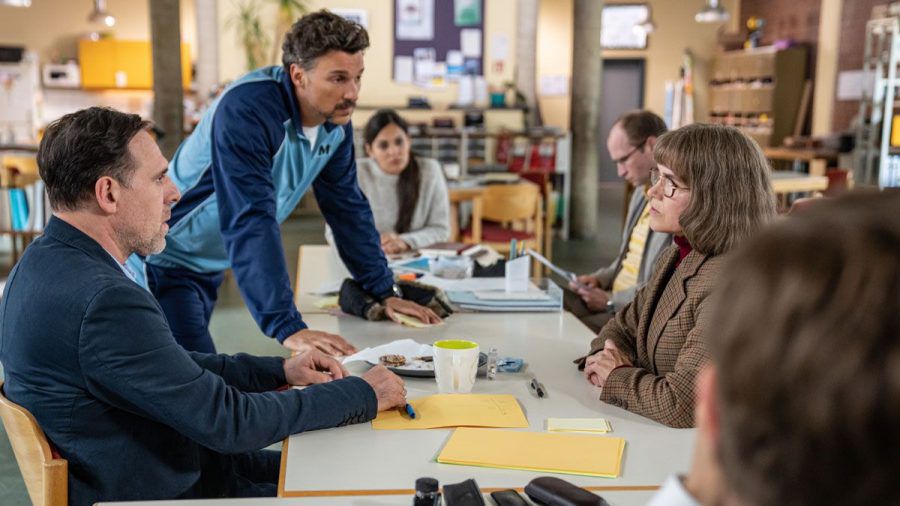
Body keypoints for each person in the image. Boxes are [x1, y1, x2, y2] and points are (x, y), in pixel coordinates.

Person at [0, 107, 409, 505]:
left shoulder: (41, 264)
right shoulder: (104, 299)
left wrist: (280, 370)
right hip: (165, 491)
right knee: (372, 491)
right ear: (108, 193)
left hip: (167, 464)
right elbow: (230, 422)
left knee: (356, 471)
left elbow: (170, 368)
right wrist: (362, 394)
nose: (175, 193)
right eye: (160, 178)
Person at [139, 10, 440, 355]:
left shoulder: (334, 126)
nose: (353, 93)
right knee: (189, 380)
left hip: (211, 259)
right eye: (338, 78)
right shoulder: (249, 110)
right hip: (166, 256)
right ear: (298, 75)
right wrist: (286, 324)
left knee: (197, 378)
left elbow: (347, 209)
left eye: (358, 77)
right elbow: (251, 217)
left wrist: (384, 290)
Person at [648, 192, 900, 505]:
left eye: (670, 181)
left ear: (711, 406)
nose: (653, 190)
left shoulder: (713, 275)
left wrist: (699, 491)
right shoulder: (675, 259)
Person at [577, 123, 776, 428]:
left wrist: (616, 375)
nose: (652, 191)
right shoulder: (680, 253)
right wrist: (608, 361)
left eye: (669, 182)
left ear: (714, 196)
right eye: (657, 175)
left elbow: (680, 404)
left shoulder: (731, 284)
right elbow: (620, 327)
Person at [565, 111, 672, 333]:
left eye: (624, 160)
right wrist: (600, 279)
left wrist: (611, 301)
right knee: (553, 298)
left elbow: (662, 287)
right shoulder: (638, 193)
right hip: (611, 298)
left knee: (559, 325)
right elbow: (628, 257)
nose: (620, 172)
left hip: (629, 314)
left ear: (651, 144)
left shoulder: (673, 207)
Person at [325, 109, 450, 254]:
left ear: (408, 141)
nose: (394, 151)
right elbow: (334, 232)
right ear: (370, 150)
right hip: (365, 260)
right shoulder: (352, 174)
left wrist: (405, 241)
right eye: (383, 145)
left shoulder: (430, 170)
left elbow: (441, 230)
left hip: (416, 259)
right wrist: (369, 245)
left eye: (399, 142)